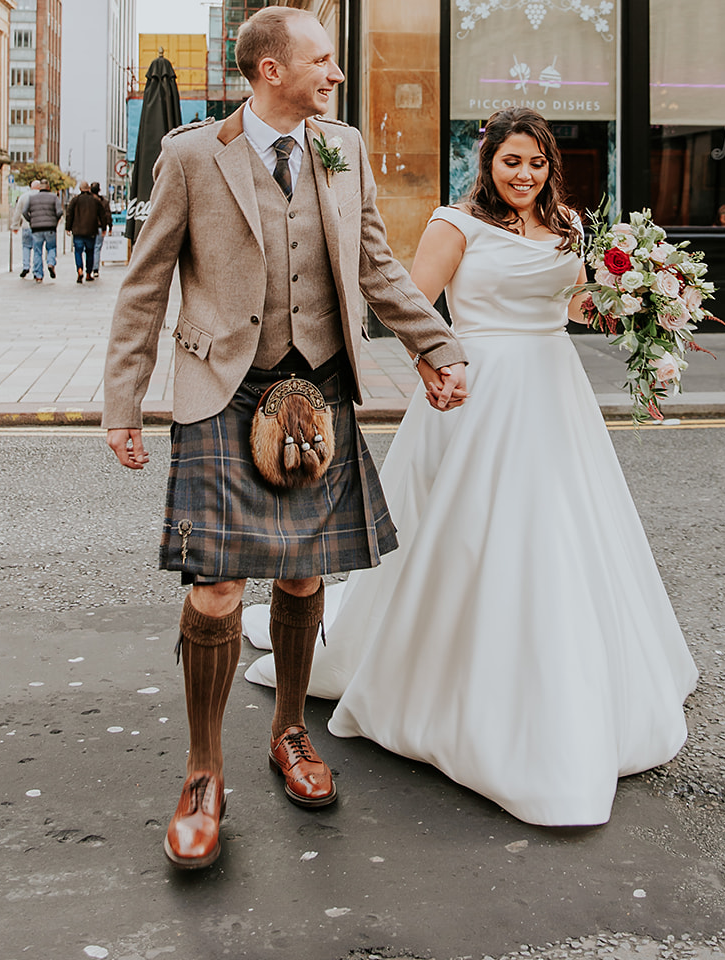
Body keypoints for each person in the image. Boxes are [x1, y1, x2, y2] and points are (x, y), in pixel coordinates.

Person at [243, 107, 698, 827]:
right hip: (476, 387)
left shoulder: (571, 227)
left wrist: (634, 297)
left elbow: (575, 306)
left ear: (552, 168)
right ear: (489, 162)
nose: (524, 175)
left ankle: (561, 664)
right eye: (511, 161)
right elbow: (411, 305)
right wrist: (431, 361)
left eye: (537, 163)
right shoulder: (455, 224)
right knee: (462, 528)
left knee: (559, 526)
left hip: (552, 390)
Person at [102, 5, 467, 871]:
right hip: (224, 390)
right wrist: (123, 402)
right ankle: (201, 773)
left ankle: (291, 732)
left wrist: (435, 347)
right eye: (322, 61)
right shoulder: (192, 154)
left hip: (321, 387)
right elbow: (145, 284)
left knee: (304, 572)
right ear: (271, 69)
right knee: (217, 589)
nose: (334, 74)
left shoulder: (340, 148)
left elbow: (375, 263)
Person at [22, 179, 62, 282]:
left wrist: (31, 220)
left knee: (37, 251)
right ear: (48, 187)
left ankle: (38, 275)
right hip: (50, 228)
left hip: (36, 229)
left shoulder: (32, 198)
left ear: (40, 187)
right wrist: (55, 221)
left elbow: (24, 211)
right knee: (51, 248)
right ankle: (50, 263)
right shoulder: (54, 197)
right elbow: (60, 212)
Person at [65, 184, 104, 282]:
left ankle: (79, 269)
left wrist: (68, 228)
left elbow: (69, 214)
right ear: (89, 189)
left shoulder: (75, 200)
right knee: (90, 252)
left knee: (78, 251)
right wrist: (104, 227)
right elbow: (102, 214)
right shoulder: (95, 200)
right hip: (91, 231)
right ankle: (88, 273)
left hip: (78, 231)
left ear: (80, 189)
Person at [11, 181, 39, 278]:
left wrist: (15, 226)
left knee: (26, 246)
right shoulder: (42, 196)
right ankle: (36, 270)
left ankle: (26, 266)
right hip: (38, 227)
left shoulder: (23, 196)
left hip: (26, 226)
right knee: (37, 249)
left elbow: (18, 212)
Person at [90, 182, 112, 276]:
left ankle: (88, 268)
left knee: (89, 248)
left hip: (89, 227)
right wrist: (109, 226)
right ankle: (95, 269)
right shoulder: (104, 201)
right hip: (99, 227)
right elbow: (107, 215)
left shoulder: (88, 201)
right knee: (97, 248)